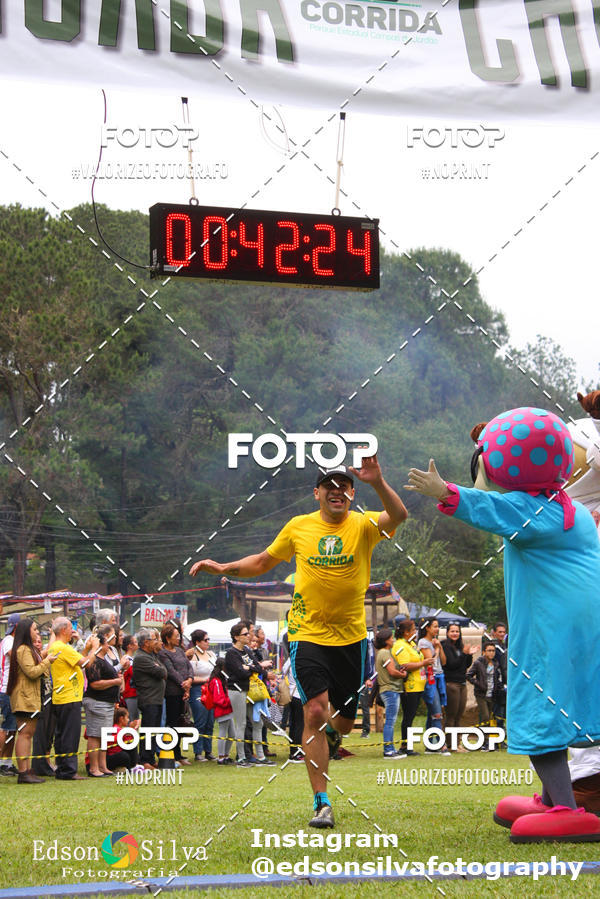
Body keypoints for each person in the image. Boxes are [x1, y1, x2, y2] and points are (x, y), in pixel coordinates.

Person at [407, 406, 600, 842]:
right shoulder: (567, 509)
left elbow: (493, 507)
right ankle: (554, 799)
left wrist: (447, 492)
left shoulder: (538, 514)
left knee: (540, 709)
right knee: (566, 706)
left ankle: (569, 809)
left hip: (551, 630)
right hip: (577, 626)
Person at [190, 455, 407, 827]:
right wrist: (224, 568)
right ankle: (321, 802)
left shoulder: (364, 524)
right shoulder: (298, 527)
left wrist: (378, 481)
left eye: (343, 487)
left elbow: (399, 515)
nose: (336, 492)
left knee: (340, 723)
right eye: (328, 487)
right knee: (315, 711)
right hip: (307, 633)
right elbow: (262, 561)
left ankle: (334, 739)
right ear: (316, 494)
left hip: (352, 639)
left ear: (352, 494)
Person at [48, 617, 99, 780]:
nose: (73, 630)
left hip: (61, 696)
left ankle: (62, 768)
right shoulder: (63, 647)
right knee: (70, 734)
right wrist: (94, 649)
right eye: (71, 628)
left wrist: (86, 649)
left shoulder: (56, 647)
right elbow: (85, 664)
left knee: (62, 734)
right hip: (69, 696)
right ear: (63, 630)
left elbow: (76, 661)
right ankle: (69, 770)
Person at [6, 618, 56, 783]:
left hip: (30, 697)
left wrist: (46, 657)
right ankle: (23, 772)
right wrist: (48, 661)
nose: (37, 632)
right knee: (25, 734)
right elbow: (32, 672)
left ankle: (27, 769)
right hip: (24, 697)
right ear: (26, 631)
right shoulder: (22, 650)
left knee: (28, 734)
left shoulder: (28, 649)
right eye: (34, 629)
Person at [83, 624, 124, 777]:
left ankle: (103, 766)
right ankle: (94, 768)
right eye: (106, 643)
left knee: (104, 735)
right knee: (95, 735)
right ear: (99, 645)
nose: (108, 645)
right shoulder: (94, 661)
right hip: (96, 701)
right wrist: (115, 682)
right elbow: (94, 684)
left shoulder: (103, 660)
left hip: (106, 703)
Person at [223, 621, 264, 767]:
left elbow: (259, 668)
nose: (248, 636)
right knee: (241, 723)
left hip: (250, 691)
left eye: (248, 633)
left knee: (257, 722)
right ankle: (241, 757)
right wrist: (249, 669)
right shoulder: (231, 653)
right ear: (236, 637)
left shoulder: (246, 651)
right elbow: (239, 673)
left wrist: (249, 667)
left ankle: (260, 756)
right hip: (237, 690)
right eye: (245, 634)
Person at [392, 619, 430, 756]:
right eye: (413, 630)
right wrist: (424, 663)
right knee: (408, 717)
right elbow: (405, 665)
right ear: (406, 632)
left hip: (419, 685)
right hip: (410, 686)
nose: (415, 632)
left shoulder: (412, 644)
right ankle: (405, 746)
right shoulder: (400, 645)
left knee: (412, 716)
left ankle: (407, 744)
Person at [158, 622, 193, 765]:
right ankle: (171, 753)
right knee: (171, 723)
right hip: (172, 692)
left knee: (180, 722)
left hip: (183, 691)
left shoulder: (179, 651)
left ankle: (178, 753)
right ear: (167, 638)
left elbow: (188, 666)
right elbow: (171, 671)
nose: (179, 638)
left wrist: (190, 680)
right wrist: (184, 685)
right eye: (176, 636)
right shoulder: (163, 653)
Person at [132, 628, 167, 769]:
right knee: (148, 731)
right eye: (153, 640)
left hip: (156, 699)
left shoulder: (152, 656)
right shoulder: (141, 657)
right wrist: (160, 669)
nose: (156, 642)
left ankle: (151, 758)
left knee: (154, 731)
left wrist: (160, 668)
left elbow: (164, 669)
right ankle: (145, 759)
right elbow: (161, 672)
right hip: (148, 699)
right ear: (146, 642)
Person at [417, 617, 449, 754]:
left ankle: (431, 745)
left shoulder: (435, 642)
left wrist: (439, 647)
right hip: (430, 679)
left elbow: (443, 661)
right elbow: (430, 661)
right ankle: (440, 745)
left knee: (433, 712)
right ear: (427, 628)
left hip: (439, 677)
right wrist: (436, 648)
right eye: (435, 626)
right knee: (437, 713)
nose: (437, 629)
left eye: (438, 626)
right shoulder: (423, 642)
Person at [374, 627, 407, 758]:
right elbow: (392, 672)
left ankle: (391, 748)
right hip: (390, 689)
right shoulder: (385, 653)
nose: (393, 640)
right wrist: (403, 675)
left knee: (390, 720)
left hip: (388, 690)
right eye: (391, 638)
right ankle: (388, 750)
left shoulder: (381, 653)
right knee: (390, 721)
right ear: (386, 640)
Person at [441, 622, 475, 742]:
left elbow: (465, 665)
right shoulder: (444, 646)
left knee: (459, 715)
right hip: (451, 684)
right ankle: (450, 743)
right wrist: (464, 654)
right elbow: (451, 664)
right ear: (447, 633)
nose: (455, 634)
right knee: (451, 715)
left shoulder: (461, 646)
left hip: (462, 683)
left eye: (457, 631)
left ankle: (457, 741)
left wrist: (469, 655)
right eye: (452, 631)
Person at [467, 642, 504, 751]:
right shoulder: (479, 663)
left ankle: (491, 741)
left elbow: (497, 678)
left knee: (491, 718)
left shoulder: (496, 663)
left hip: (492, 694)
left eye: (493, 651)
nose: (491, 653)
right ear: (484, 652)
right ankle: (484, 742)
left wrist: (499, 686)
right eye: (489, 650)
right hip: (481, 694)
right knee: (485, 717)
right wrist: (478, 683)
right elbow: (469, 675)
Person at [31, 628, 56, 777]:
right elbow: (48, 651)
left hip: (50, 696)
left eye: (40, 641)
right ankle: (39, 765)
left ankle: (46, 761)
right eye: (35, 641)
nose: (38, 644)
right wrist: (54, 633)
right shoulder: (35, 656)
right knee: (40, 732)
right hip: (40, 700)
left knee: (49, 733)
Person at [188, 629, 217, 761]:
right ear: (197, 642)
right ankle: (198, 751)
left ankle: (208, 750)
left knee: (210, 721)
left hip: (211, 689)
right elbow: (190, 677)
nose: (208, 642)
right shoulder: (193, 656)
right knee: (200, 720)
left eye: (208, 639)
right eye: (205, 640)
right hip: (198, 689)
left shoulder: (211, 654)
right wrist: (205, 680)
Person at [0, 612, 20, 776]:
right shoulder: (9, 641)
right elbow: (16, 657)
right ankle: (1, 762)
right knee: (7, 727)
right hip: (6, 689)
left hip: (13, 690)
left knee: (13, 728)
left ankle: (7, 762)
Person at [205, 658, 235, 765]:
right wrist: (231, 701)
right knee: (223, 733)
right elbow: (218, 699)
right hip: (222, 710)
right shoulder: (216, 681)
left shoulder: (222, 680)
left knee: (232, 734)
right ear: (222, 668)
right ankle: (221, 757)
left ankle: (225, 755)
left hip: (227, 710)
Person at [483, 622, 508, 736]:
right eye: (500, 632)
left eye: (503, 632)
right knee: (496, 711)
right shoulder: (493, 647)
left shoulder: (504, 647)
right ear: (494, 633)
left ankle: (500, 735)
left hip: (504, 683)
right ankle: (494, 737)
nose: (502, 634)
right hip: (494, 683)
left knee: (502, 711)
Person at [121, 635, 139, 721]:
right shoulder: (126, 659)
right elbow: (133, 674)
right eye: (135, 642)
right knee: (131, 719)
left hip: (134, 693)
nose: (137, 643)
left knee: (135, 718)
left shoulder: (132, 659)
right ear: (130, 646)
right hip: (129, 693)